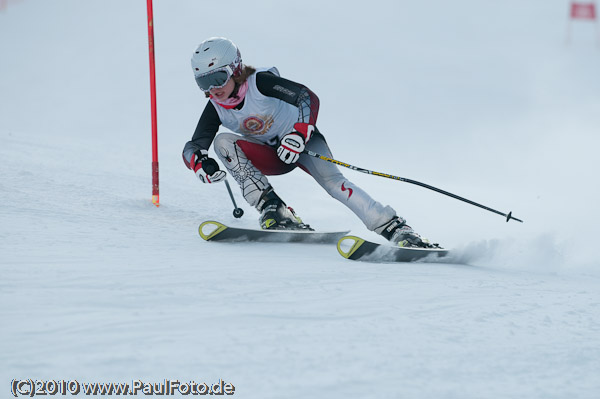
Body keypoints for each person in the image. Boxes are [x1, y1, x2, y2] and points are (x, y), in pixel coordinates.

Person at [182, 37, 432, 248]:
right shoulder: (216, 107)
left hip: (303, 143)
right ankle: (274, 210)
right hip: (271, 155)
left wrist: (299, 134)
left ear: (236, 69)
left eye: (217, 78)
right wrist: (199, 163)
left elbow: (307, 96)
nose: (212, 89)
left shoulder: (259, 83)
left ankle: (395, 228)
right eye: (203, 82)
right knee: (222, 142)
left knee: (335, 184)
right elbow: (193, 145)